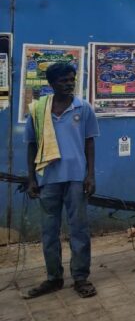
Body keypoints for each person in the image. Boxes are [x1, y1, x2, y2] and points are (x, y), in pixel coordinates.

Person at [24, 62, 99, 299]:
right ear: (51, 84)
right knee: (49, 231)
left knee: (79, 230)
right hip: (48, 179)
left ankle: (81, 277)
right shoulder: (38, 110)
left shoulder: (83, 107)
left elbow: (89, 142)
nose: (68, 84)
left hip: (76, 178)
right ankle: (53, 278)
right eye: (63, 81)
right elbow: (32, 145)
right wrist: (31, 179)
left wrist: (90, 175)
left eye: (71, 80)